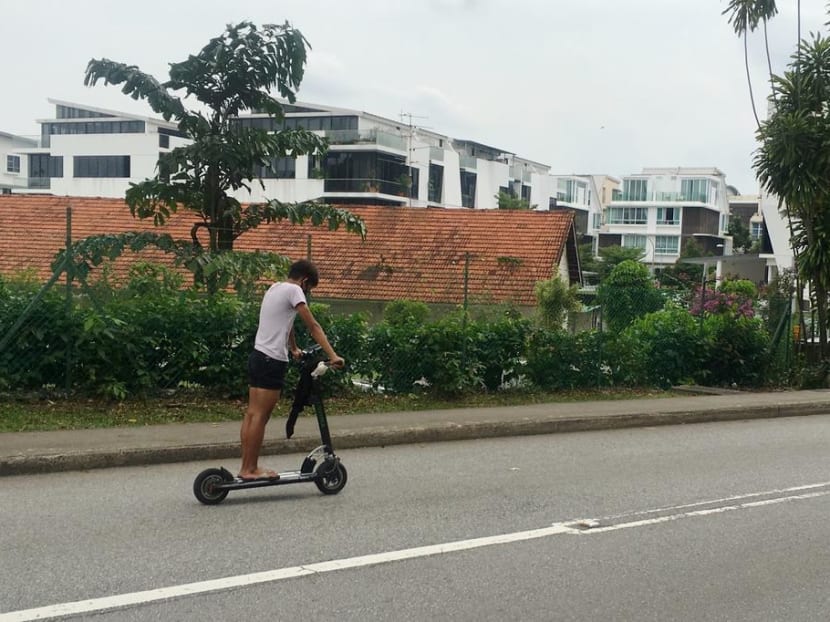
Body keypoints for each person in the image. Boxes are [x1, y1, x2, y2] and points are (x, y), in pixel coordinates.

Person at [239, 259, 344, 481]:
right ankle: (250, 469)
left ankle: (246, 467)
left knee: (252, 414)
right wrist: (333, 355)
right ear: (304, 281)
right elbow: (313, 326)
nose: (307, 293)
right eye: (309, 289)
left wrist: (293, 348)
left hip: (258, 357)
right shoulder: (295, 291)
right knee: (260, 416)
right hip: (272, 361)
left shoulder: (275, 288)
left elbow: (287, 322)